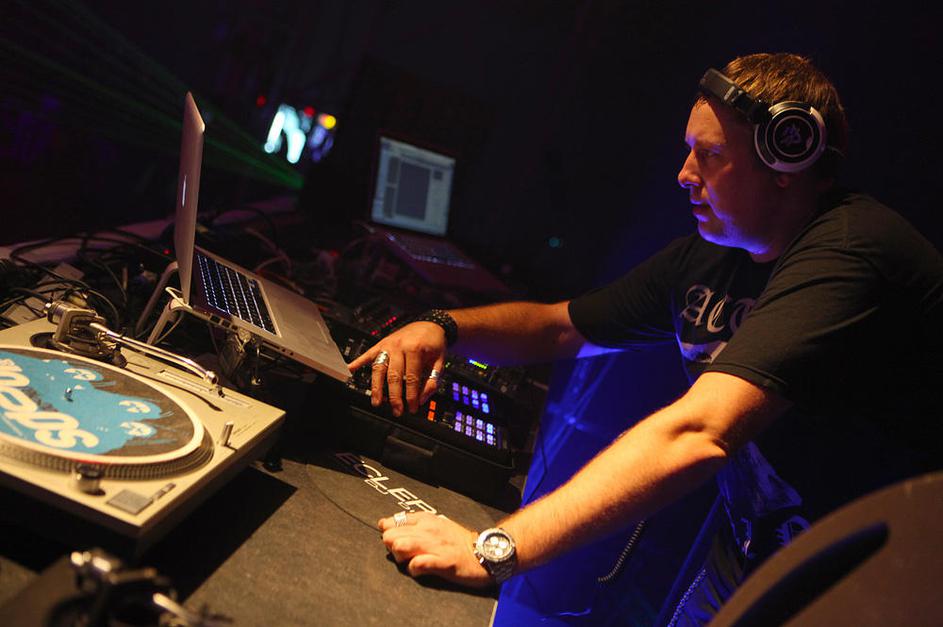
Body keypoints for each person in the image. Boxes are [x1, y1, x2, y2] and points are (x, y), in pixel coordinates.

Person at [348, 52, 943, 622]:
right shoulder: (710, 258)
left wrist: (494, 550)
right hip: (757, 557)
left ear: (787, 159)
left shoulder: (853, 251)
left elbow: (699, 433)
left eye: (710, 155)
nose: (684, 174)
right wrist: (444, 328)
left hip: (885, 586)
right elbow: (561, 327)